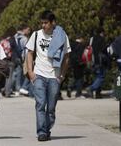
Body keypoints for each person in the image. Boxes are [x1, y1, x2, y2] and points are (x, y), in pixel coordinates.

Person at [26, 10, 71, 142]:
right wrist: (30, 72)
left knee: (50, 108)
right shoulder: (36, 35)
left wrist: (62, 75)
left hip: (54, 77)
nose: (43, 25)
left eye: (46, 23)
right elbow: (29, 53)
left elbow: (67, 56)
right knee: (40, 104)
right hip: (39, 74)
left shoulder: (61, 36)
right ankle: (41, 132)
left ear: (53, 23)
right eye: (42, 23)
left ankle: (46, 129)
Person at [86, 27, 110, 99]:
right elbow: (104, 50)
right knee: (101, 77)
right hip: (100, 61)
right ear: (102, 32)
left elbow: (89, 48)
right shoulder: (101, 39)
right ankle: (91, 88)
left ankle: (97, 94)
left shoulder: (92, 39)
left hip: (93, 61)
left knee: (96, 77)